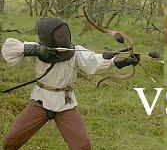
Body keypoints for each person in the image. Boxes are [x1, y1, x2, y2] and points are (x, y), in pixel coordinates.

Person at [1, 17, 139, 150]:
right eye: (59, 36)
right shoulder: (38, 49)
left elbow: (94, 61)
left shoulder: (75, 51)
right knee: (12, 139)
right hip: (40, 101)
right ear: (48, 37)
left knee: (82, 145)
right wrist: (35, 50)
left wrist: (120, 62)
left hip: (65, 102)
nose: (64, 38)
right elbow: (9, 49)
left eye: (65, 34)